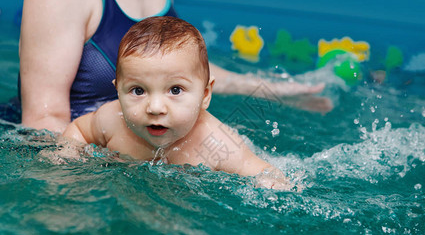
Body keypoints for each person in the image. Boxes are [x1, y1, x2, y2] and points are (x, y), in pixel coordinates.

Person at [19, 0, 329, 134]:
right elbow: (43, 121)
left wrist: (265, 89)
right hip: (76, 147)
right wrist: (125, 158)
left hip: (149, 132)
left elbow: (181, 67)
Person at [62, 16, 289, 189]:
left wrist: (274, 184)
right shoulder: (111, 119)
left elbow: (264, 172)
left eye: (175, 90)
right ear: (118, 92)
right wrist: (68, 154)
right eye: (138, 90)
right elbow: (79, 131)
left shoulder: (217, 143)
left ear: (206, 94)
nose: (155, 108)